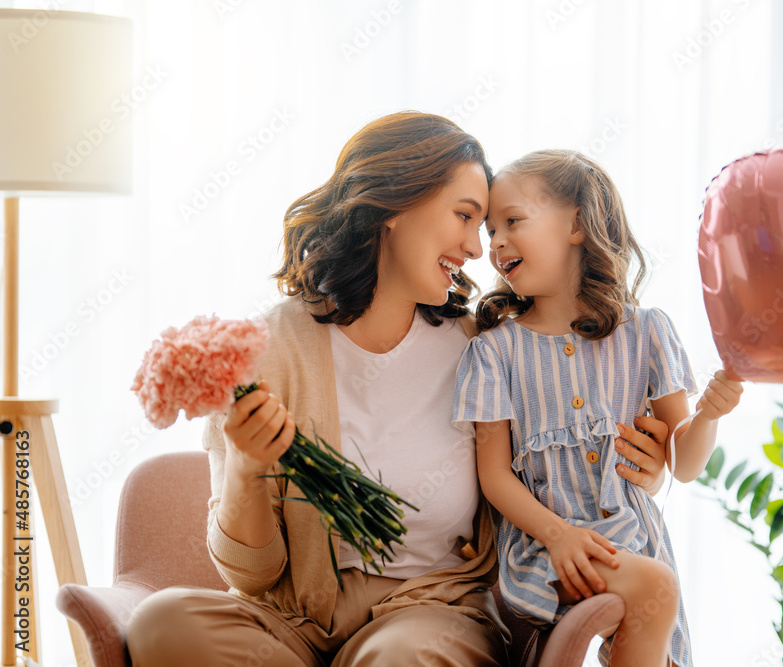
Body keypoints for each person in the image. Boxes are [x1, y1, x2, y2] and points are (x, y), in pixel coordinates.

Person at [125, 113, 671, 666]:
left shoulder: (481, 348)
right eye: (464, 217)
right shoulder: (268, 352)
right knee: (163, 622)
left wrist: (645, 464)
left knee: (403, 659)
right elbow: (250, 574)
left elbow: (560, 454)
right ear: (394, 205)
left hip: (432, 612)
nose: (476, 250)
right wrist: (246, 465)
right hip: (294, 623)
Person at [453, 150, 744, 667]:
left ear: (577, 225)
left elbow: (685, 463)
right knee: (650, 586)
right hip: (546, 550)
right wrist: (559, 535)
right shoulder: (496, 350)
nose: (494, 242)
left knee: (655, 607)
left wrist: (709, 417)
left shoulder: (647, 332)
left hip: (637, 541)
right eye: (490, 228)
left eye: (512, 221)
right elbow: (494, 476)